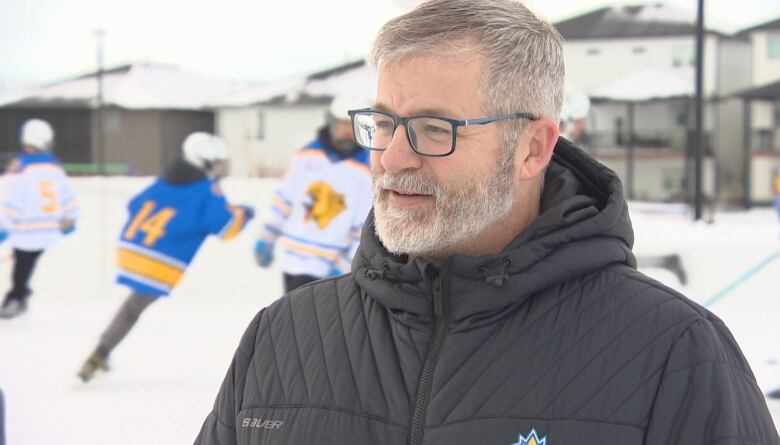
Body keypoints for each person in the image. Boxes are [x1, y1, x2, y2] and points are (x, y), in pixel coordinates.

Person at [197, 1, 779, 444]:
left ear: (532, 149)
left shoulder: (671, 353)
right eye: (382, 122)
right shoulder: (283, 336)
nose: (393, 158)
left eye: (434, 128)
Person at [78, 132, 254, 382]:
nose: (220, 168)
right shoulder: (207, 188)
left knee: (132, 305)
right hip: (159, 262)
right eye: (217, 163)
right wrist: (245, 214)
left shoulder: (167, 180)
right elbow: (224, 227)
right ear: (205, 162)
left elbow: (135, 205)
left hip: (131, 249)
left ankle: (101, 351)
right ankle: (99, 353)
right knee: (133, 308)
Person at [560, 86, 689, 285]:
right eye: (580, 121)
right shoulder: (562, 156)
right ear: (572, 120)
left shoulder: (564, 153)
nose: (582, 127)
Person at [253, 93, 372, 292]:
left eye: (353, 124)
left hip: (332, 270)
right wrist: (267, 237)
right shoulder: (306, 155)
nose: (347, 130)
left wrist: (346, 265)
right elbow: (284, 200)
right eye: (342, 123)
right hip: (293, 260)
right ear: (332, 122)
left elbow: (365, 224)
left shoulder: (368, 168)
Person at [0, 119, 78, 319]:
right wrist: (70, 218)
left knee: (22, 265)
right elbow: (67, 196)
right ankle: (18, 295)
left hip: (25, 230)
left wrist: (4, 226)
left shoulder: (19, 169)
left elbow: (12, 203)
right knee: (25, 263)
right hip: (49, 230)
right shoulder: (55, 167)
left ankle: (17, 297)